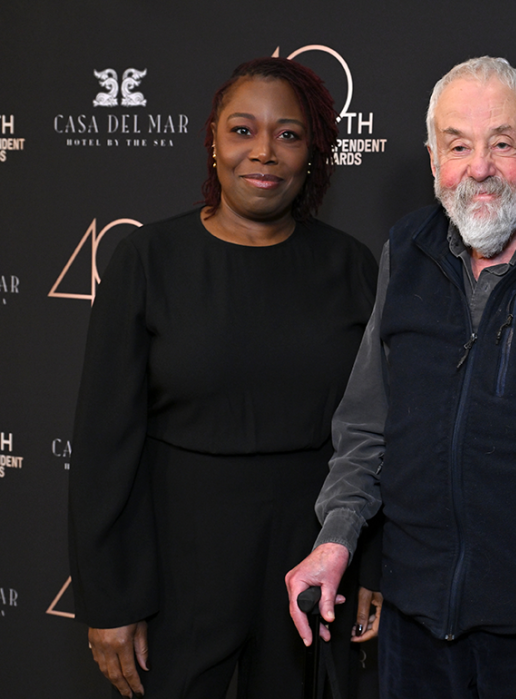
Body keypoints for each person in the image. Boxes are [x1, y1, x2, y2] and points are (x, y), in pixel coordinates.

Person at [285, 56, 516, 698]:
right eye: (458, 146)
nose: (479, 168)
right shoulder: (405, 252)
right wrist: (337, 539)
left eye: (502, 144)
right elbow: (368, 430)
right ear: (434, 161)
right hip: (416, 631)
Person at [68, 57, 379, 699]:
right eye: (243, 130)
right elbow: (104, 446)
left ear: (313, 151)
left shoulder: (350, 266)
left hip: (312, 556)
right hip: (179, 564)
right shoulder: (147, 260)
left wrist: (373, 559)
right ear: (214, 139)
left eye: (288, 135)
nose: (263, 153)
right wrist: (110, 598)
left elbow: (374, 434)